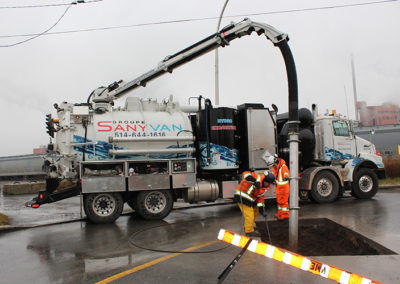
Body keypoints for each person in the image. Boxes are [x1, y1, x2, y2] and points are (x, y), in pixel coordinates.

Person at [233, 170, 275, 237]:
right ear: (265, 180)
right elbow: (245, 173)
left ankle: (250, 226)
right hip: (241, 196)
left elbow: (260, 200)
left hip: (249, 199)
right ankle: (249, 231)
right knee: (250, 215)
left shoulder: (263, 188)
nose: (269, 185)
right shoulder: (256, 177)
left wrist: (262, 211)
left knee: (255, 211)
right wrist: (254, 181)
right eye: (269, 183)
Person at [265, 154, 290, 221]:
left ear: (275, 163)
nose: (272, 167)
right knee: (279, 202)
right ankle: (280, 214)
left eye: (272, 165)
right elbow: (276, 177)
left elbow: (286, 173)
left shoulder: (283, 167)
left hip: (284, 189)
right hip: (279, 188)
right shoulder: (276, 168)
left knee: (284, 202)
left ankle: (285, 215)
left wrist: (286, 177)